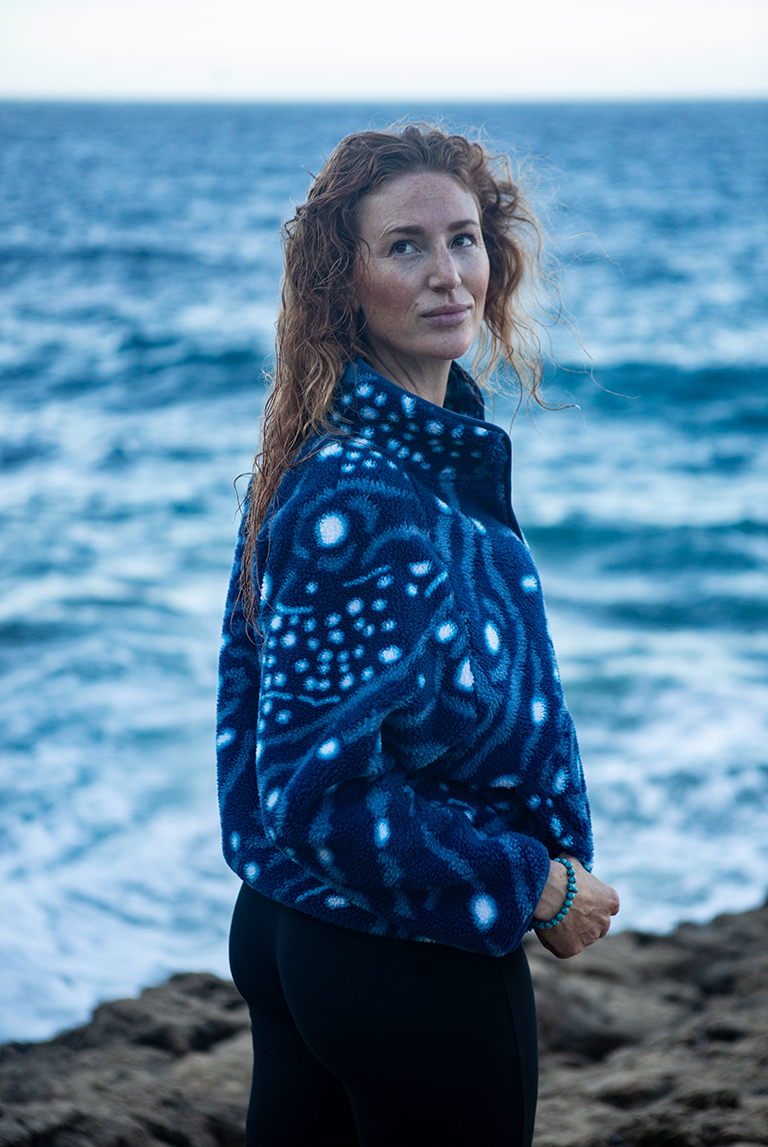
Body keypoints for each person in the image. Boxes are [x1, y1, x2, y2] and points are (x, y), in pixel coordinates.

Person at [217, 123, 620, 1147]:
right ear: (341, 280)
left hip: (304, 923)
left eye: (466, 239)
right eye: (405, 246)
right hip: (399, 950)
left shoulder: (368, 456)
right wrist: (534, 881)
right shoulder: (367, 489)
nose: (449, 275)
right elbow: (316, 789)